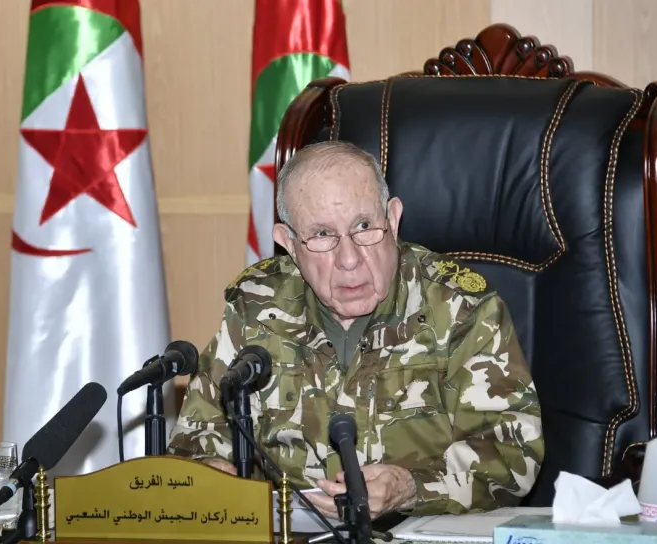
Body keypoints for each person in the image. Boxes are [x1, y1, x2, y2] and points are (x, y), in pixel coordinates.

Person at [166, 140, 544, 519]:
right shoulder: (256, 306)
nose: (349, 259)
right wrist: (210, 471)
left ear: (392, 220)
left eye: (364, 226)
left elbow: (514, 452)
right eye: (322, 235)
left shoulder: (459, 306)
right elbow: (197, 437)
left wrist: (409, 488)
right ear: (290, 245)